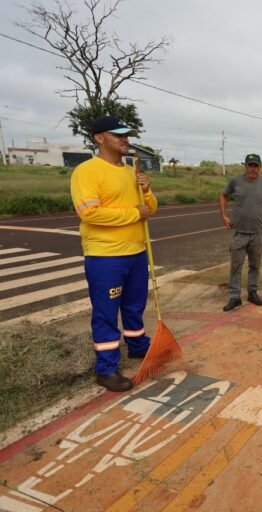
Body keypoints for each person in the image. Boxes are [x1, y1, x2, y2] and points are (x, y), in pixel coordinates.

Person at [70, 116, 157, 392]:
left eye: (126, 135)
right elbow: (90, 212)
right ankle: (106, 368)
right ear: (99, 138)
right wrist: (134, 213)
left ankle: (137, 345)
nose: (125, 139)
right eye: (118, 134)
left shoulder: (131, 171)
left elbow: (150, 208)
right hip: (106, 256)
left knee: (134, 306)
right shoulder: (87, 171)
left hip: (136, 251)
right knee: (107, 312)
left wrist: (147, 190)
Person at [219, 154, 262, 311]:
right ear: (245, 166)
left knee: (255, 265)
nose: (253, 169)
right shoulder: (235, 181)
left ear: (259, 167)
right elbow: (224, 195)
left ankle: (252, 292)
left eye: (256, 166)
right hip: (238, 232)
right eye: (250, 165)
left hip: (257, 233)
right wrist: (224, 215)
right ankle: (234, 297)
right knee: (236, 266)